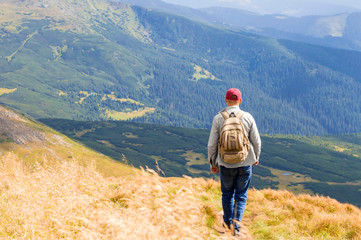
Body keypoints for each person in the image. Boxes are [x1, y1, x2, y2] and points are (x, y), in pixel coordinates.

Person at [208, 88, 261, 235]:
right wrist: (255, 157)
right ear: (240, 101)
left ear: (226, 100)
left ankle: (226, 225)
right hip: (245, 163)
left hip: (225, 163)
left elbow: (212, 144)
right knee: (241, 196)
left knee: (227, 195)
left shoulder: (219, 118)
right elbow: (256, 141)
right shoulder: (247, 117)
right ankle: (236, 228)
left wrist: (213, 163)